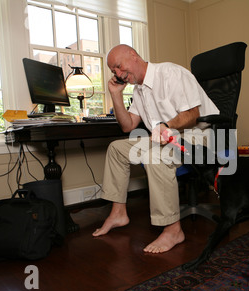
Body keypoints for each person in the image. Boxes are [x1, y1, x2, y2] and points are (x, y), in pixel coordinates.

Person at [92, 44, 219, 253]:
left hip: (198, 137)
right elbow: (128, 126)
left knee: (155, 156)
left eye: (119, 67)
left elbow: (193, 114)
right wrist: (115, 94)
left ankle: (173, 229)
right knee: (117, 148)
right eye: (114, 72)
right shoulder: (138, 90)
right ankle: (118, 213)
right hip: (167, 137)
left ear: (133, 55)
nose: (119, 74)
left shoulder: (170, 73)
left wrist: (167, 127)